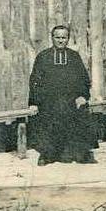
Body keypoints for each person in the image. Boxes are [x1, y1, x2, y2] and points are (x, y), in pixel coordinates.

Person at [27, 25, 96, 164]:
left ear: (68, 39)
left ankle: (82, 154)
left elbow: (84, 79)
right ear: (52, 38)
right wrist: (34, 102)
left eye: (63, 38)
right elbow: (34, 81)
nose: (60, 40)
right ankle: (47, 155)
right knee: (48, 119)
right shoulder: (43, 57)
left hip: (71, 100)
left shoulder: (74, 56)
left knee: (80, 115)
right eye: (57, 37)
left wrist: (83, 96)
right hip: (49, 101)